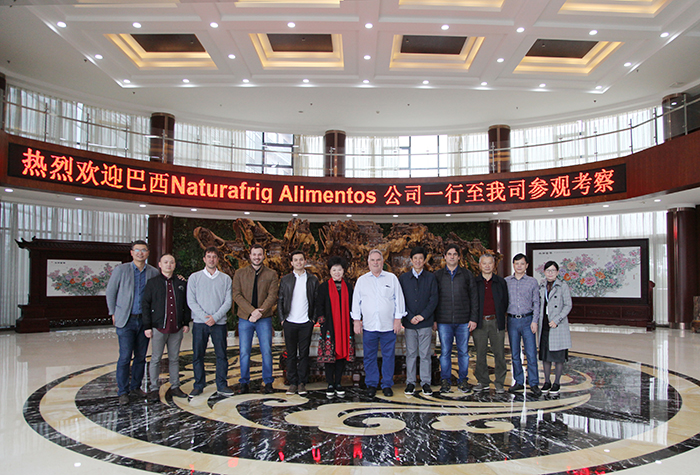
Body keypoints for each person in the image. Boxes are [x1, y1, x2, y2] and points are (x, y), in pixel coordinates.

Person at [106, 240, 160, 406]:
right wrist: (113, 312)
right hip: (126, 319)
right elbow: (111, 292)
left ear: (148, 253)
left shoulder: (153, 272)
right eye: (137, 250)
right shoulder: (121, 270)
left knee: (141, 356)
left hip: (144, 320)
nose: (140, 253)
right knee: (125, 356)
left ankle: (136, 387)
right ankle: (123, 391)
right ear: (131, 253)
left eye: (143, 250)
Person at [352, 249, 406, 398]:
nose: (375, 263)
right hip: (369, 326)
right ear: (368, 262)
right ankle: (371, 384)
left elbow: (399, 299)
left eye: (378, 260)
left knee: (389, 356)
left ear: (383, 262)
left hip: (388, 326)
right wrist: (356, 320)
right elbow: (356, 302)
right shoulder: (362, 280)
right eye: (373, 260)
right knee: (369, 357)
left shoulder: (392, 278)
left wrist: (398, 319)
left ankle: (387, 384)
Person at [142, 254, 191, 401]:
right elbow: (145, 305)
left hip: (176, 327)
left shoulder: (181, 283)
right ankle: (154, 388)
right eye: (166, 262)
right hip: (158, 327)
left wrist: (186, 322)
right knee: (156, 358)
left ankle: (175, 386)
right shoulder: (153, 283)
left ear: (175, 265)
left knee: (174, 358)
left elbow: (186, 304)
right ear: (160, 264)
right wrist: (147, 326)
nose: (169, 265)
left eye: (171, 262)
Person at [232, 243, 280, 394]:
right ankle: (244, 382)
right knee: (244, 351)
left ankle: (268, 382)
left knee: (266, 351)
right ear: (250, 255)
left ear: (263, 256)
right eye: (254, 254)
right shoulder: (240, 273)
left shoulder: (271, 274)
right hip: (245, 318)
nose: (257, 257)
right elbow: (236, 295)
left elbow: (272, 295)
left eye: (259, 254)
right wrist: (252, 312)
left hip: (264, 318)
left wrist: (260, 312)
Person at [187, 247, 233, 397]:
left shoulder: (225, 279)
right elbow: (191, 301)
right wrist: (205, 317)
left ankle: (222, 385)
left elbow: (228, 302)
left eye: (214, 257)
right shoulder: (194, 277)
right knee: (198, 355)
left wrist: (215, 317)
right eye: (209, 256)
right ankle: (198, 385)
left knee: (221, 355)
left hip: (219, 323)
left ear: (218, 259)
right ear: (204, 259)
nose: (211, 259)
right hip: (200, 323)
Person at [433, 244, 478, 394]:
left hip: (463, 320)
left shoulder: (467, 275)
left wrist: (473, 318)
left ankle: (463, 380)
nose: (452, 257)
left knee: (463, 352)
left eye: (455, 254)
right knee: (445, 352)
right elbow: (433, 298)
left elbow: (474, 298)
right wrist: (434, 319)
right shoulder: (438, 275)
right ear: (444, 257)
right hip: (444, 321)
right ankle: (445, 380)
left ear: (459, 257)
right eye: (449, 254)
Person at [278, 250, 319, 396]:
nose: (298, 262)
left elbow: (316, 301)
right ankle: (292, 383)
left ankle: (302, 383)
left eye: (301, 259)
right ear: (292, 263)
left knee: (303, 354)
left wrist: (313, 319)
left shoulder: (312, 280)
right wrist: (282, 319)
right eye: (295, 260)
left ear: (305, 261)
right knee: (291, 354)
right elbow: (280, 300)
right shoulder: (286, 280)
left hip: (305, 322)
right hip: (290, 322)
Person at [399, 246, 438, 396]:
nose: (418, 261)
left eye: (420, 258)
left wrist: (423, 316)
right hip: (409, 323)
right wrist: (409, 316)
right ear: (411, 260)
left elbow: (434, 299)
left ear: (424, 260)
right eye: (415, 258)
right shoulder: (403, 278)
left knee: (425, 354)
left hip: (425, 322)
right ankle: (410, 382)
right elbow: (400, 299)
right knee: (410, 353)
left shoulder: (431, 278)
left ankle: (425, 383)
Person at [316, 256, 355, 398]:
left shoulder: (349, 287)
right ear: (330, 272)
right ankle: (330, 383)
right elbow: (319, 305)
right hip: (329, 326)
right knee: (330, 355)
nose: (337, 272)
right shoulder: (323, 287)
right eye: (334, 270)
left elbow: (353, 305)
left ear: (343, 271)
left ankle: (338, 382)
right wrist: (322, 321)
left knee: (341, 356)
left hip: (345, 326)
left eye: (339, 270)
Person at [505, 253, 542, 397]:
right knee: (515, 354)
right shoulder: (506, 281)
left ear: (526, 265)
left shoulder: (532, 282)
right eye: (516, 263)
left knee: (531, 353)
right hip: (512, 320)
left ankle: (533, 382)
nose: (519, 266)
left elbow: (536, 303)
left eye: (522, 263)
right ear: (513, 265)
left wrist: (535, 321)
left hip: (528, 320)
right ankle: (519, 381)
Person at [472, 254, 509, 394]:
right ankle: (483, 381)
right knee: (480, 353)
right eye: (484, 263)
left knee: (499, 353)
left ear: (494, 265)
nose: (487, 266)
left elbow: (505, 301)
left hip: (496, 321)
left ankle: (499, 382)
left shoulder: (501, 282)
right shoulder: (475, 282)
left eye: (490, 263)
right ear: (479, 265)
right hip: (480, 322)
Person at [538, 261, 572, 396]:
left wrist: (557, 320)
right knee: (545, 356)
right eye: (548, 270)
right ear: (544, 272)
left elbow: (568, 305)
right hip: (544, 324)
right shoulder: (541, 286)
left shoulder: (562, 286)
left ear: (557, 272)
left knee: (558, 356)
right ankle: (547, 381)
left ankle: (556, 383)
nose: (550, 273)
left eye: (553, 270)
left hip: (557, 324)